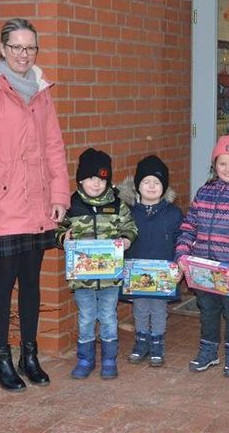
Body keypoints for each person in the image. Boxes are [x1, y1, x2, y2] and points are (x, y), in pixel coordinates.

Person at [0, 18, 70, 391]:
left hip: (37, 203)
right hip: (4, 204)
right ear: (3, 48)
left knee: (31, 282)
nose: (24, 55)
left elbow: (54, 147)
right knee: (3, 282)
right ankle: (1, 360)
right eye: (17, 47)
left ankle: (29, 355)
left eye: (30, 48)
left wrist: (59, 196)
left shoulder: (41, 91)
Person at [175, 132, 229, 377]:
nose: (227, 168)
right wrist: (182, 253)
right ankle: (209, 351)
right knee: (208, 310)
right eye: (222, 163)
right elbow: (189, 225)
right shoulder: (204, 192)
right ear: (214, 165)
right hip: (204, 270)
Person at [56, 148, 137, 380]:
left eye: (102, 179)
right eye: (91, 178)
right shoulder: (72, 205)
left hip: (110, 278)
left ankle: (109, 360)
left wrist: (126, 240)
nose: (97, 184)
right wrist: (65, 238)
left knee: (109, 316)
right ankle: (85, 359)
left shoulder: (117, 205)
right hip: (82, 279)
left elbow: (131, 227)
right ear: (81, 179)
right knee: (86, 316)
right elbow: (57, 230)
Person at [119, 154, 183, 367]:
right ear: (138, 186)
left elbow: (180, 241)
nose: (152, 186)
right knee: (139, 308)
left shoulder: (173, 214)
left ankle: (157, 342)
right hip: (136, 273)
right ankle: (141, 341)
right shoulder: (128, 213)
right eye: (146, 182)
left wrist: (179, 264)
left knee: (158, 309)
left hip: (162, 274)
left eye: (157, 182)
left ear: (164, 187)